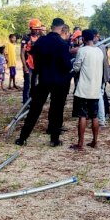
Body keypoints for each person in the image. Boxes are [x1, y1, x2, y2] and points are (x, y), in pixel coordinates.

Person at [15, 18, 72, 147]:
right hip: (58, 82)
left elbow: (35, 62)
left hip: (43, 79)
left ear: (51, 27)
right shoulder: (62, 44)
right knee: (56, 110)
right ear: (62, 28)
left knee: (35, 110)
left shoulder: (41, 41)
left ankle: (23, 138)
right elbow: (67, 65)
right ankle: (54, 139)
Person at [69, 29, 105, 150]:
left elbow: (77, 67)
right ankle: (95, 141)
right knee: (94, 116)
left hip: (83, 89)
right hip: (95, 89)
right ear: (94, 38)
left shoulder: (82, 50)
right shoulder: (99, 51)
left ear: (83, 39)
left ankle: (80, 143)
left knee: (82, 116)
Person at [21, 19, 42, 104]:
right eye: (35, 28)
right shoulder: (26, 38)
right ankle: (25, 102)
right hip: (28, 64)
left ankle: (32, 101)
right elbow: (22, 53)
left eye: (38, 29)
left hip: (37, 65)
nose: (37, 30)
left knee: (35, 84)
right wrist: (24, 66)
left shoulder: (40, 38)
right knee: (28, 84)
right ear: (31, 28)